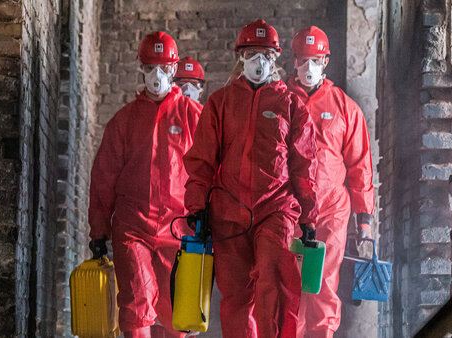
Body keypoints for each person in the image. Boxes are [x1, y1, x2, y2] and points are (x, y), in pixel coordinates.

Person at [183, 19, 319, 338]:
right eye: (251, 52)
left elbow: (304, 164)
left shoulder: (291, 105)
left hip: (276, 210)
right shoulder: (220, 103)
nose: (259, 60)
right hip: (229, 214)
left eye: (266, 53)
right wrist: (196, 208)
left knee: (276, 284)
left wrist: (310, 215)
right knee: (236, 298)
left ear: (275, 58)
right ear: (240, 56)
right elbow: (201, 161)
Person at [88, 31, 203, 338]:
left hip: (179, 228)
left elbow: (210, 170)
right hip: (132, 227)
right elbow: (104, 178)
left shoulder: (194, 118)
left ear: (174, 69)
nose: (157, 75)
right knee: (136, 306)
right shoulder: (123, 122)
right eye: (151, 67)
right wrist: (98, 231)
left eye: (164, 67)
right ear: (141, 67)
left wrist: (208, 218)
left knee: (179, 315)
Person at [287, 26, 376, 338]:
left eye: (315, 60)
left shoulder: (344, 108)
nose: (308, 67)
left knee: (324, 284)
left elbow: (359, 166)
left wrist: (364, 220)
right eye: (302, 60)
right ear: (293, 61)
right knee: (292, 288)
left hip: (331, 213)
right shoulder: (280, 103)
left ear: (325, 61)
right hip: (289, 211)